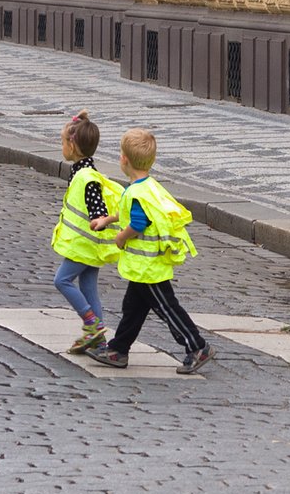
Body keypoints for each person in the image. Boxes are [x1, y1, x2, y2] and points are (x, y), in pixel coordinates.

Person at [85, 129, 213, 374]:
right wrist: (108, 220)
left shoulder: (136, 192)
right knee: (132, 308)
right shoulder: (146, 187)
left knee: (167, 309)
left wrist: (120, 238)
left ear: (124, 160)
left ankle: (197, 346)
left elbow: (138, 222)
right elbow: (128, 213)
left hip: (149, 266)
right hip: (145, 267)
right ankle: (118, 349)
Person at [50, 113, 120, 353]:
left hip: (83, 244)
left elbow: (97, 208)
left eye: (62, 143)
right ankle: (98, 340)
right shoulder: (83, 171)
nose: (61, 147)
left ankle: (91, 323)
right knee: (89, 287)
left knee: (61, 280)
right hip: (88, 245)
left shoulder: (87, 177)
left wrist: (99, 220)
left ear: (73, 146)